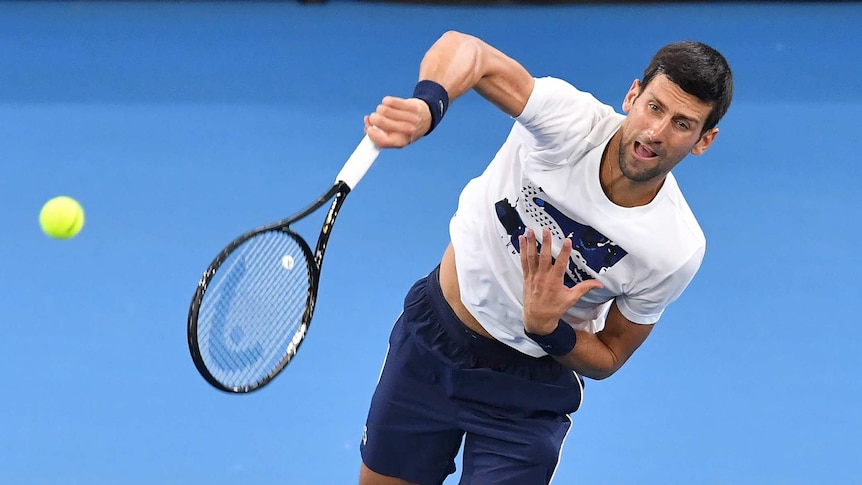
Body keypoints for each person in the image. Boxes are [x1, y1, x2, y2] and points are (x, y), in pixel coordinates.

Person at [358, 30, 733, 485]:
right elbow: (468, 51)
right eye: (654, 107)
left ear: (703, 140)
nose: (656, 133)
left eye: (682, 123)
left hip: (529, 390)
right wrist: (427, 105)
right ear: (632, 95)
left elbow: (612, 354)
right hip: (434, 340)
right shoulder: (568, 121)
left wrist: (549, 330)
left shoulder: (674, 247)